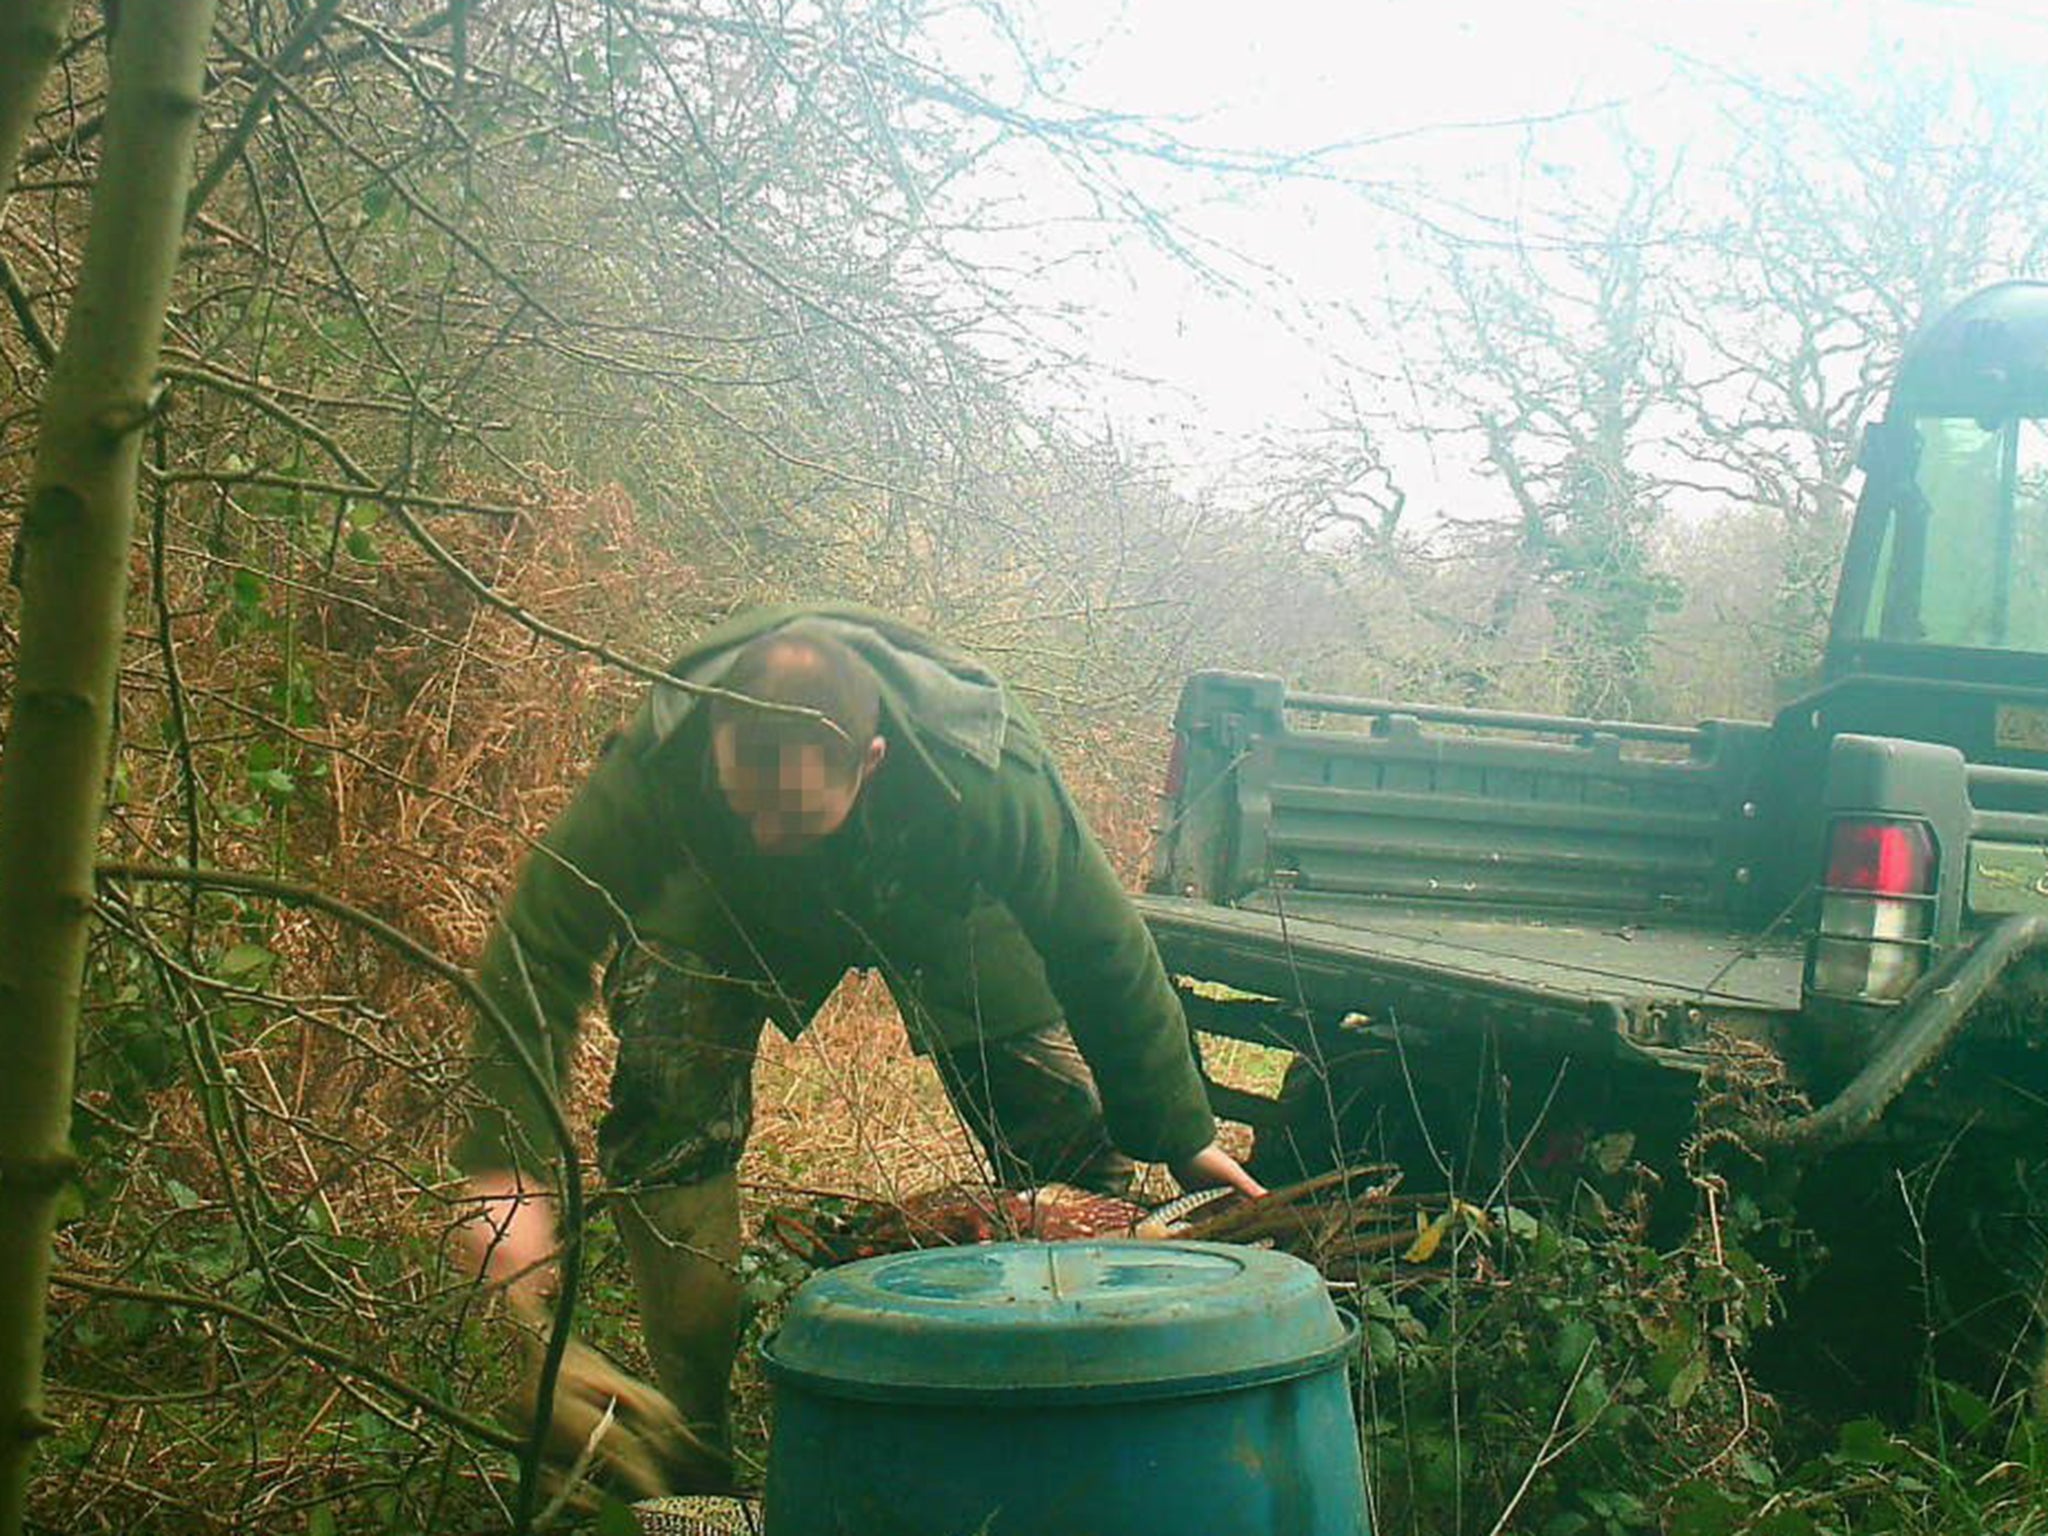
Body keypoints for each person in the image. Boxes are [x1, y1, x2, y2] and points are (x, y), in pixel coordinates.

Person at [452, 602, 1263, 1493]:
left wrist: (1178, 1127)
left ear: (869, 764)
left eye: (791, 811)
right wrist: (506, 1165)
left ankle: (1072, 1398)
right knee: (666, 1103)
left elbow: (1097, 943)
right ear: (716, 748)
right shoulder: (666, 754)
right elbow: (542, 937)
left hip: (936, 890)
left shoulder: (985, 771)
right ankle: (695, 1446)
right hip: (716, 897)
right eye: (747, 804)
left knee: (1069, 1127)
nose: (769, 830)